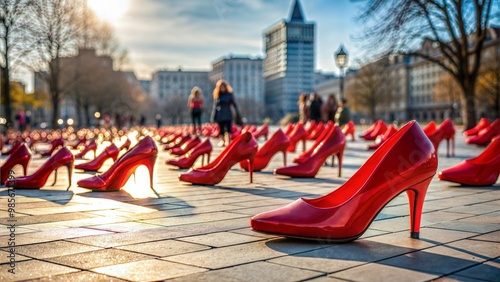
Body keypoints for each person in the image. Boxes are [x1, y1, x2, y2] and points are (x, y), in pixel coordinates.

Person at [211, 80, 240, 147]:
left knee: (228, 128)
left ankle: (229, 141)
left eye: (223, 87)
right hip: (220, 114)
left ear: (225, 87)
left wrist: (237, 114)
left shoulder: (229, 95)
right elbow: (215, 107)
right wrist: (213, 117)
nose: (222, 88)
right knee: (221, 129)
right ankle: (223, 141)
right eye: (221, 87)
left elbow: (234, 104)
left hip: (227, 113)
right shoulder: (217, 96)